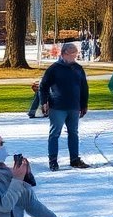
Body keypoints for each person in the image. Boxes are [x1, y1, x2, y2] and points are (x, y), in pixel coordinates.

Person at [39, 42, 90, 171]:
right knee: (55, 133)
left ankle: (74, 159)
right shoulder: (54, 69)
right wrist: (44, 102)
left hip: (74, 106)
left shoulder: (78, 68)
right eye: (73, 54)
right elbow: (43, 86)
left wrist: (84, 104)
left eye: (76, 54)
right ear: (65, 54)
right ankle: (53, 161)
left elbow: (84, 87)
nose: (75, 56)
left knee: (74, 133)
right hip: (57, 106)